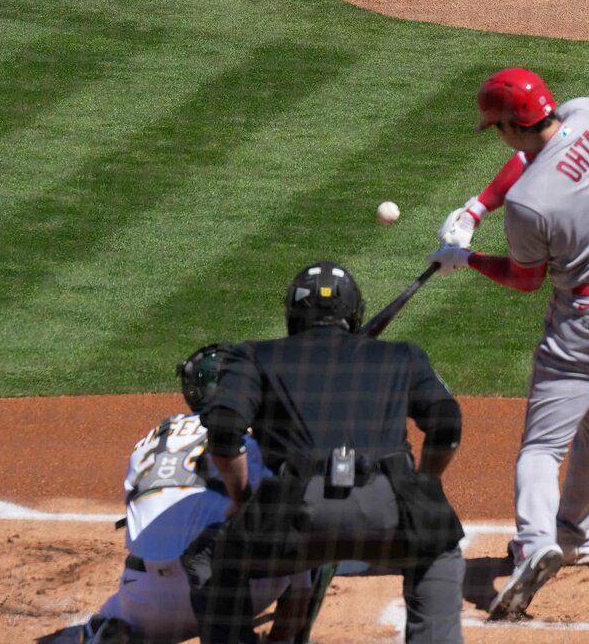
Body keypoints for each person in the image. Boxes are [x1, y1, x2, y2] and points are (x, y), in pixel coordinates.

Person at [431, 67, 589, 621]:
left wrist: (464, 259)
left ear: (511, 125)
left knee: (542, 447)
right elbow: (535, 153)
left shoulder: (531, 205)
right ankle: (577, 536)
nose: (498, 137)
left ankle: (535, 543)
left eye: (497, 128)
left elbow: (524, 278)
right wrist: (475, 207)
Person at [183, 261, 466, 644]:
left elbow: (224, 428)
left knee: (216, 557)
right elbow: (446, 420)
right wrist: (426, 487)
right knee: (439, 549)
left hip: (292, 514)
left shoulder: (253, 356)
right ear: (354, 314)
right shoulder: (403, 356)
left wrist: (242, 500)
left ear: (292, 314)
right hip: (390, 506)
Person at [36, 345, 319, 644]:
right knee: (311, 514)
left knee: (108, 615)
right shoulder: (257, 434)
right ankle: (286, 638)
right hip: (238, 593)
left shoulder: (156, 435)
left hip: (147, 603)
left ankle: (107, 630)